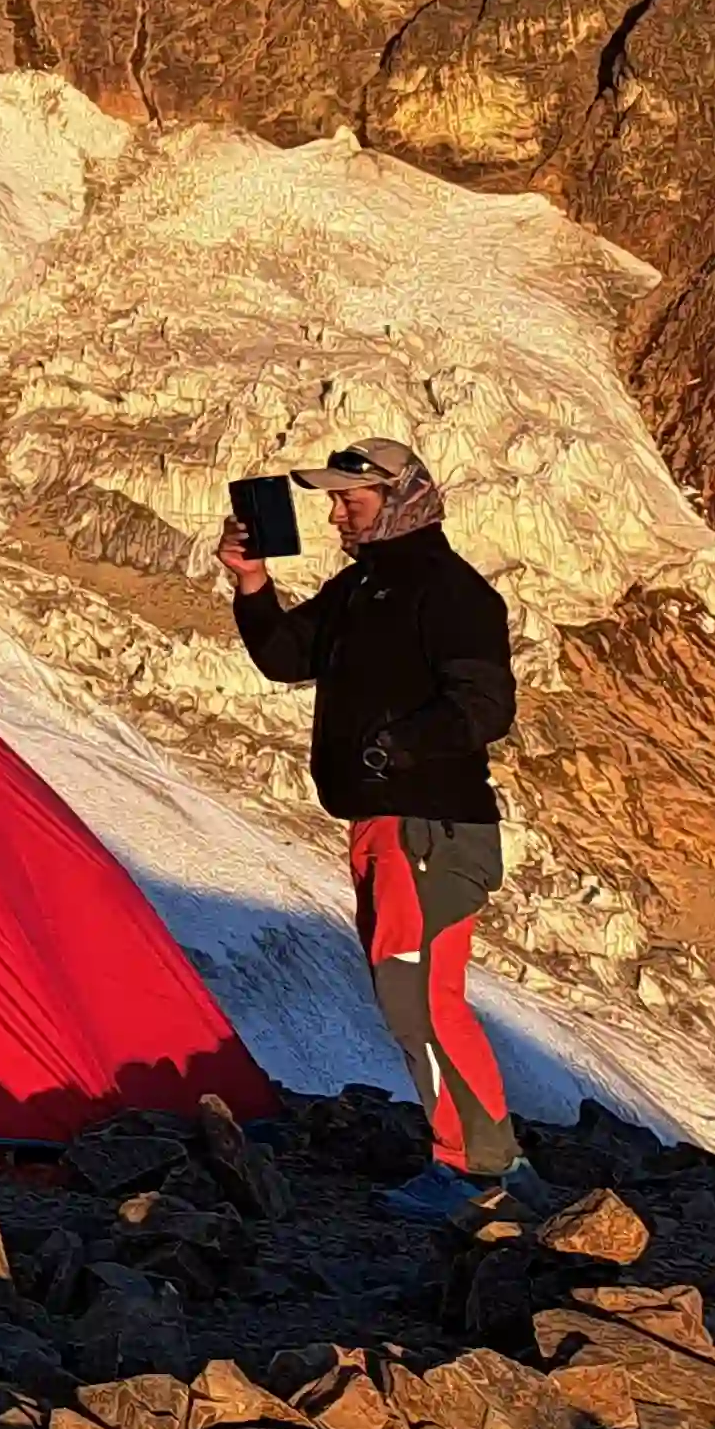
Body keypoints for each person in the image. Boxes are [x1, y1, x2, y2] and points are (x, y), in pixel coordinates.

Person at [221, 434, 529, 1217]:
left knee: (420, 999)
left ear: (398, 500)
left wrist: (398, 749)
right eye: (332, 502)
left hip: (427, 826)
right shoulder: (365, 590)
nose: (334, 515)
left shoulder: (448, 592)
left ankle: (473, 1173)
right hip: (391, 826)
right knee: (421, 996)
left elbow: (486, 705)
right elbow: (288, 654)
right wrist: (253, 585)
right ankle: (489, 1163)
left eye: (348, 501)